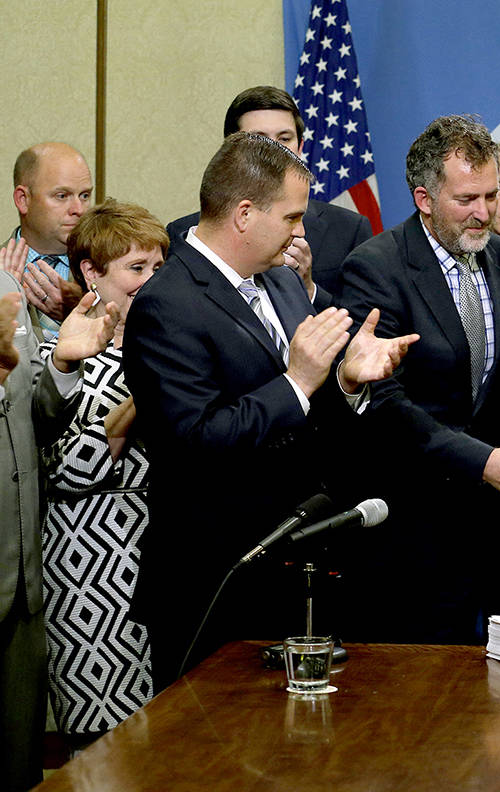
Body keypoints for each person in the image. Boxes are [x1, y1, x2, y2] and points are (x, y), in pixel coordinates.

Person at [125, 132, 415, 686]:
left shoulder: (282, 283)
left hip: (295, 572)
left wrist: (347, 383)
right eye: (291, 217)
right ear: (243, 214)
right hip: (216, 582)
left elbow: (309, 416)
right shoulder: (166, 303)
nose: (302, 232)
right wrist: (298, 379)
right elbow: (196, 441)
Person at [339, 115, 500, 643]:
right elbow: (385, 405)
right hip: (412, 530)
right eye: (468, 200)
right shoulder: (376, 267)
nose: (486, 213)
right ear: (424, 198)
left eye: (491, 194)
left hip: (494, 530)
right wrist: (483, 462)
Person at [37, 200, 167, 748]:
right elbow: (68, 468)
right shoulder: (58, 357)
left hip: (160, 567)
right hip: (90, 578)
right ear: (91, 272)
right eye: (135, 269)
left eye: (159, 269)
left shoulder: (170, 345)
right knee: (105, 754)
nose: (151, 282)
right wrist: (147, 387)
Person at [2, 241, 118, 792]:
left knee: (21, 764)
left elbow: (36, 417)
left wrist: (64, 364)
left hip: (22, 581)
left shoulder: (7, 291)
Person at [166, 86, 372, 300]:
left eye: (284, 139)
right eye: (259, 139)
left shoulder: (349, 229)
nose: (275, 149)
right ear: (230, 149)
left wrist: (309, 290)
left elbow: (360, 323)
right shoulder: (186, 233)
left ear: (300, 146)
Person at [10, 142, 93, 338]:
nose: (78, 209)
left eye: (85, 195)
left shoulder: (111, 267)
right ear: (23, 199)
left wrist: (84, 311)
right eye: (62, 195)